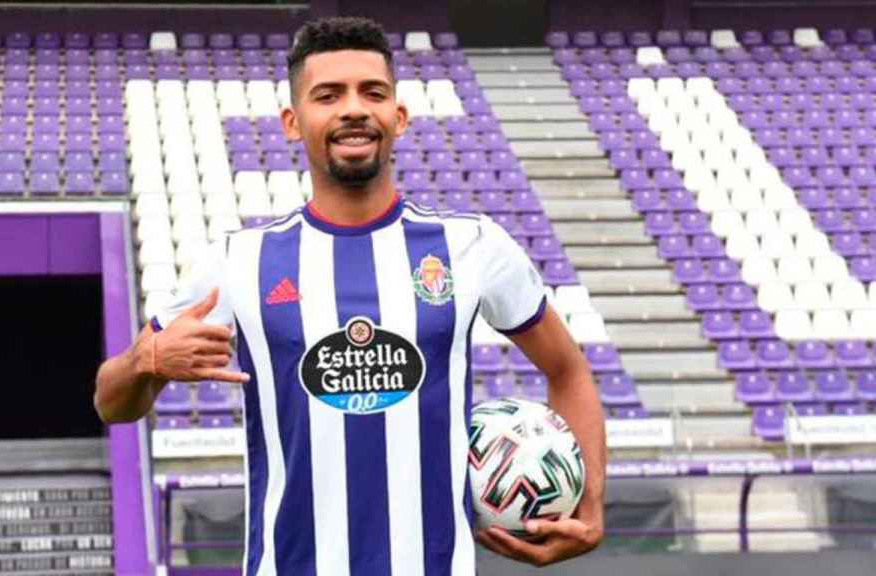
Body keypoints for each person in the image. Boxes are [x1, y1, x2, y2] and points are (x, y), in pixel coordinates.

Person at [95, 16, 605, 575]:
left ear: (399, 116)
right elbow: (111, 401)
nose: (354, 108)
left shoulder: (472, 245)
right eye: (328, 95)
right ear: (293, 122)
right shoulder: (239, 260)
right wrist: (146, 361)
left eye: (373, 92)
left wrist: (591, 506)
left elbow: (569, 371)